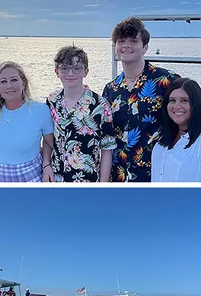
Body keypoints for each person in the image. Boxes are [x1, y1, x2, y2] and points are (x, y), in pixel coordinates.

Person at [102, 17, 181, 182]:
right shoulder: (111, 89)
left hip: (156, 173)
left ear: (145, 47)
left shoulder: (166, 81)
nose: (126, 45)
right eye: (121, 41)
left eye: (133, 40)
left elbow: (187, 116)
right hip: (118, 175)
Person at [0, 61, 54, 182]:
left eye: (14, 80)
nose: (9, 86)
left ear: (23, 83)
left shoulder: (40, 110)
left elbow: (50, 143)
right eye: (3, 81)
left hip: (31, 176)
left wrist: (46, 165)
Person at [46, 45, 118, 182]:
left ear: (86, 71)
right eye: (64, 68)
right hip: (57, 180)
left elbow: (107, 150)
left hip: (89, 182)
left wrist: (103, 186)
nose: (70, 73)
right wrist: (46, 166)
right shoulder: (52, 100)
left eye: (76, 68)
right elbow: (48, 139)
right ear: (57, 72)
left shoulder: (101, 105)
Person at [152, 77, 201, 181]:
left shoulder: (198, 144)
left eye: (184, 100)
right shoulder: (161, 142)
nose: (176, 106)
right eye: (172, 100)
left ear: (196, 104)